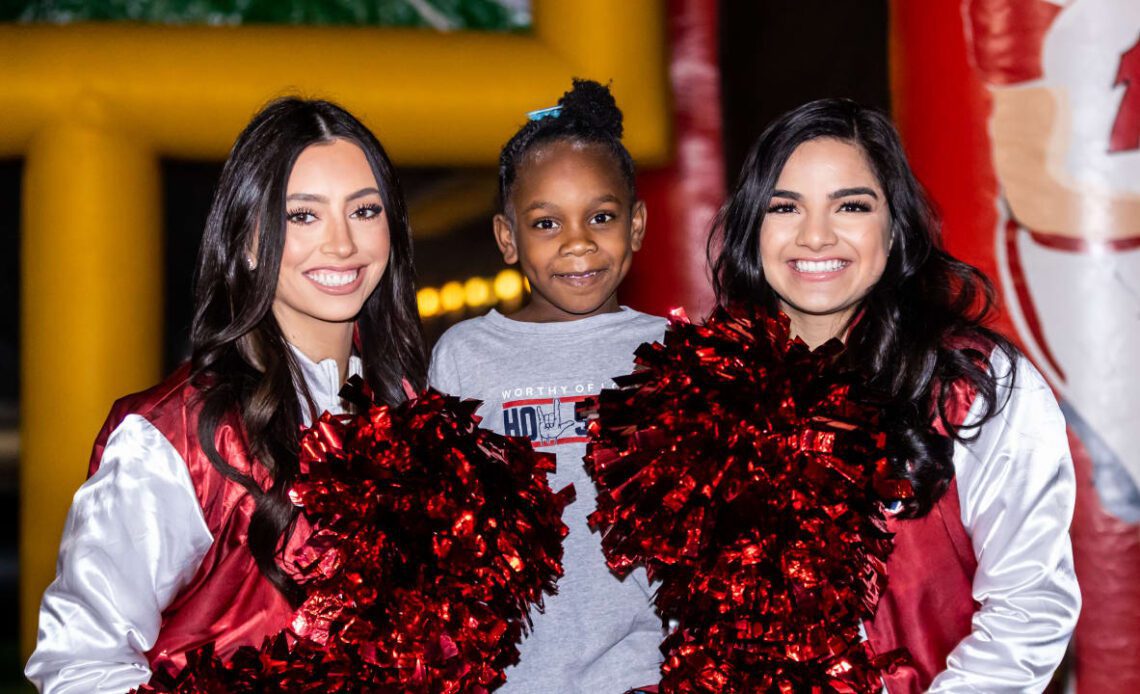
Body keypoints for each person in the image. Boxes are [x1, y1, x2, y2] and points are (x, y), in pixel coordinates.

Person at [25, 97, 427, 693]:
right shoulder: (175, 436)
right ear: (246, 240)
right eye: (302, 216)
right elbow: (80, 665)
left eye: (364, 210)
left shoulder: (414, 410)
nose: (342, 244)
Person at [707, 97, 1081, 692]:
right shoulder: (703, 396)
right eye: (785, 207)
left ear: (894, 226)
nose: (815, 235)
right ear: (753, 229)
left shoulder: (974, 385)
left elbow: (1028, 608)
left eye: (851, 205)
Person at [428, 79, 666, 692]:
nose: (578, 242)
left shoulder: (675, 352)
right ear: (508, 239)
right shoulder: (464, 357)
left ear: (636, 224)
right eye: (546, 223)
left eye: (602, 216)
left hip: (641, 674)